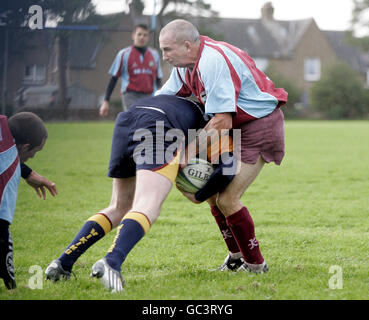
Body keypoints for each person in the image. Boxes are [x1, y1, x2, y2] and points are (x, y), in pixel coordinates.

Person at [45, 94, 235, 292]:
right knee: (148, 203)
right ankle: (111, 262)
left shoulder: (177, 99)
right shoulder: (215, 120)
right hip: (160, 125)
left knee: (119, 206)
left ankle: (62, 263)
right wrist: (198, 195)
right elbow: (227, 170)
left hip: (127, 120)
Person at [157, 19, 288, 274]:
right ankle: (236, 258)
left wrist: (188, 152)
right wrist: (137, 120)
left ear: (186, 45)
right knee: (211, 197)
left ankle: (256, 265)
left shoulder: (211, 60)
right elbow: (163, 100)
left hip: (260, 126)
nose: (164, 57)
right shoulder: (185, 65)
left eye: (167, 50)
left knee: (228, 198)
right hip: (234, 127)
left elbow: (222, 120)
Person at [0, 112, 58, 290]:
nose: (33, 156)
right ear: (24, 147)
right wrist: (12, 287)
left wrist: (27, 172)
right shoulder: (7, 173)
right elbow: (1, 234)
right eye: (35, 151)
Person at [99, 24, 163, 117]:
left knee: (147, 122)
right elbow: (114, 78)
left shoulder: (155, 54)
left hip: (149, 96)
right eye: (139, 34)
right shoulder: (124, 54)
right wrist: (106, 101)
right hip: (130, 96)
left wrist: (160, 96)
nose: (142, 37)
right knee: (135, 120)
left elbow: (158, 79)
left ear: (148, 37)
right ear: (133, 35)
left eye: (145, 35)